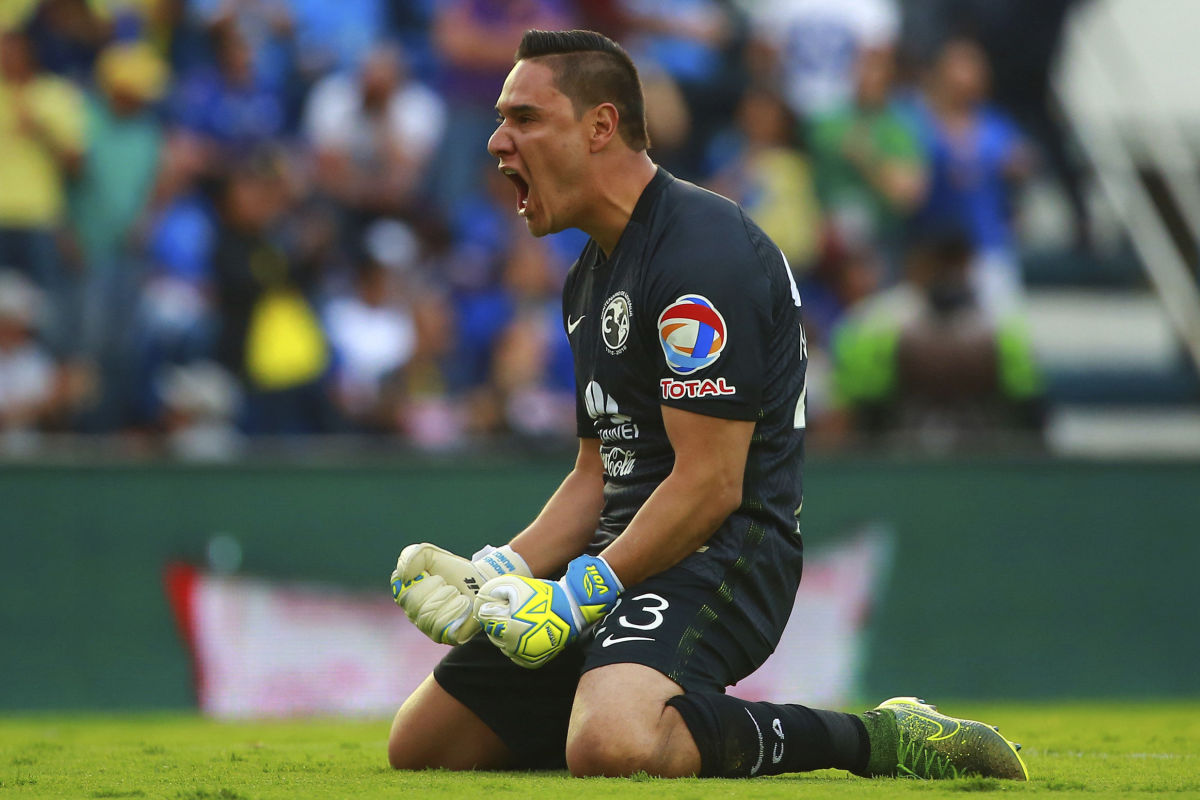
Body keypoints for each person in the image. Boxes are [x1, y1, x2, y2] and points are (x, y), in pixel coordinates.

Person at [386, 29, 1028, 781]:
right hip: (623, 557)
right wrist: (500, 569)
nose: (497, 142)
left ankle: (875, 738)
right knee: (424, 746)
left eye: (524, 118)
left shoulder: (703, 252)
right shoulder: (589, 275)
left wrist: (577, 594)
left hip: (725, 550)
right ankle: (624, 703)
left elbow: (711, 483)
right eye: (501, 119)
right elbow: (597, 471)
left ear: (600, 126)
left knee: (613, 746)